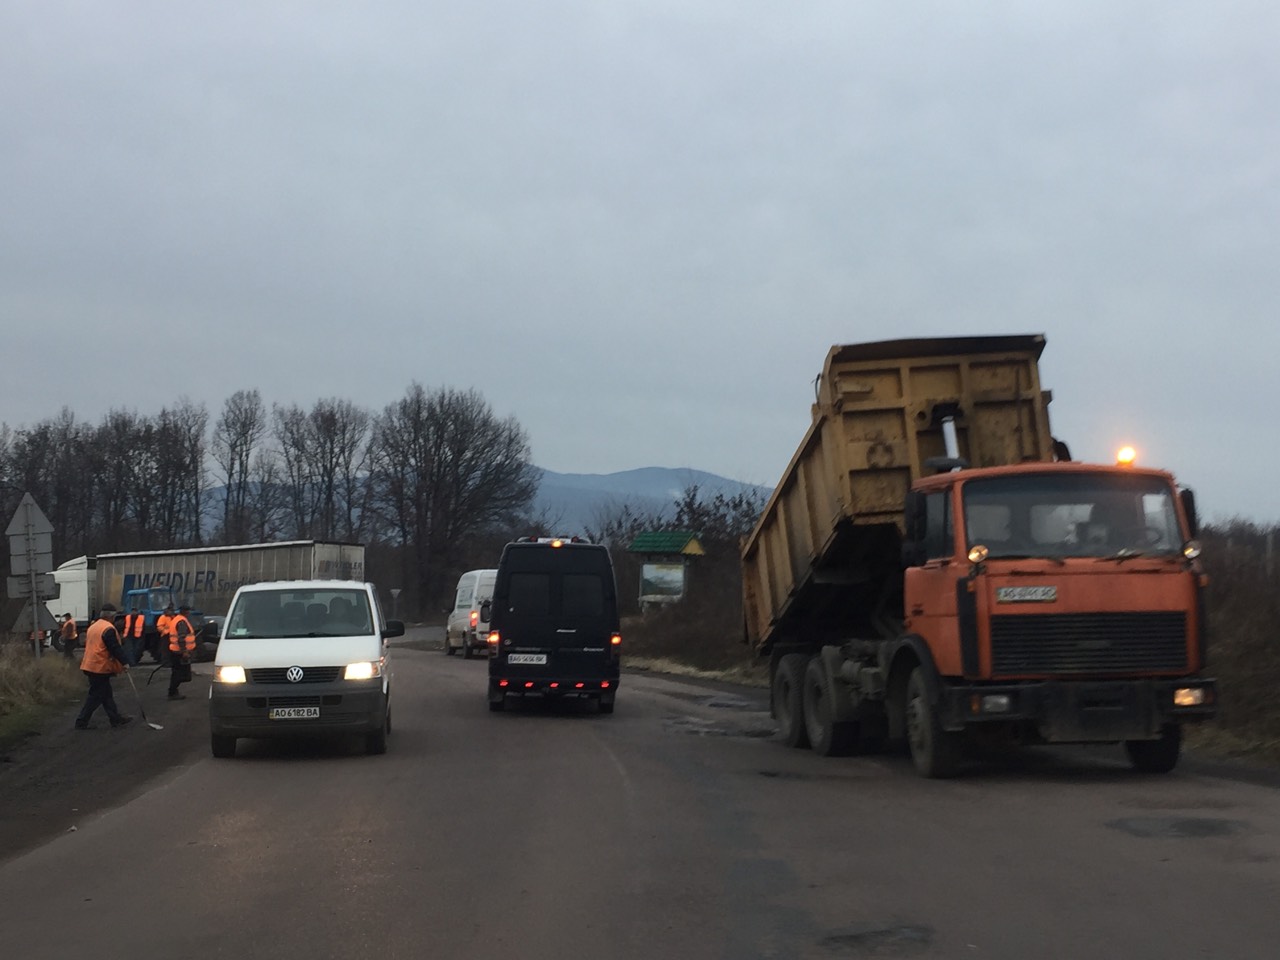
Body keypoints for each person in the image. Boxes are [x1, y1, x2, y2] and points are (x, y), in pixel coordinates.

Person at [74, 604, 133, 730]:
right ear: (111, 616)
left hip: (90, 665)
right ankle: (81, 721)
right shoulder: (108, 629)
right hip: (99, 667)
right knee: (96, 696)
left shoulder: (93, 626)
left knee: (106, 694)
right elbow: (114, 648)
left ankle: (115, 719)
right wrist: (124, 662)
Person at [166, 604, 197, 701]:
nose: (189, 613)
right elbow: (181, 638)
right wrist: (184, 651)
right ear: (185, 612)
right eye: (188, 611)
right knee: (180, 674)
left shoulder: (177, 619)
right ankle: (172, 692)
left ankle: (173, 692)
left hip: (176, 651)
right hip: (180, 652)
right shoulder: (181, 622)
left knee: (178, 673)